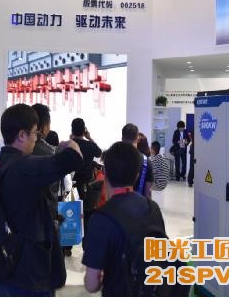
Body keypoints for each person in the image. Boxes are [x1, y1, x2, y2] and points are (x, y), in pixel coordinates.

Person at [0, 103, 83, 296]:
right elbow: (74, 158)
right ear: (22, 135)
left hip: (2, 261)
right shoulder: (24, 166)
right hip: (28, 270)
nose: (36, 139)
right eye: (34, 133)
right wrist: (69, 144)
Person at [82, 141, 167, 296]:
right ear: (136, 175)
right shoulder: (153, 208)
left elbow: (91, 284)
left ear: (105, 172)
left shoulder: (100, 219)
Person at [71, 118, 102, 201]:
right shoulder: (90, 145)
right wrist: (89, 138)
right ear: (84, 130)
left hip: (72, 183)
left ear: (72, 130)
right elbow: (99, 153)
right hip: (87, 182)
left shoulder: (69, 144)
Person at [121, 124, 153, 199]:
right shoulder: (147, 162)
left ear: (122, 139)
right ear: (137, 139)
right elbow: (148, 193)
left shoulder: (112, 158)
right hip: (139, 204)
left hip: (116, 204)